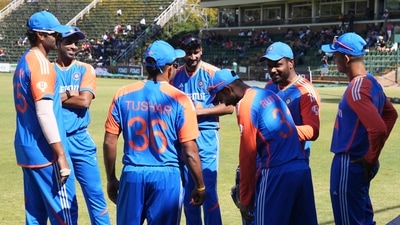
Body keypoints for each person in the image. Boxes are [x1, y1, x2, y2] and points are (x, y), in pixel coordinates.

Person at [103, 40, 206, 225]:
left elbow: (109, 141)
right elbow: (189, 149)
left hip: (132, 174)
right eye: (175, 64)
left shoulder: (122, 94)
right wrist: (200, 185)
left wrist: (111, 179)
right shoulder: (180, 99)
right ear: (169, 69)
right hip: (166, 176)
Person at [208, 69, 318, 225]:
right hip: (301, 169)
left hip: (276, 171)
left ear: (228, 89)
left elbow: (248, 155)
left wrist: (245, 198)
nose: (224, 103)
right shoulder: (269, 94)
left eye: (221, 98)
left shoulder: (246, 104)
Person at [321, 32, 398, 225]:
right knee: (362, 218)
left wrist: (371, 157)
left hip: (349, 163)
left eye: (335, 55)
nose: (333, 59)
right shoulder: (372, 82)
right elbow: (391, 115)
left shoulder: (357, 89)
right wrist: (371, 154)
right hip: (357, 161)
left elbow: (379, 127)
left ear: (346, 59)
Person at [12, 10, 77, 224]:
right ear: (40, 35)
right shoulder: (41, 65)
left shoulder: (24, 61)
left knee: (35, 216)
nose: (58, 39)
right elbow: (44, 112)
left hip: (27, 150)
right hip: (45, 152)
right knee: (64, 214)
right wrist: (60, 154)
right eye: (54, 34)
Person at [171, 34, 234, 225]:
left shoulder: (212, 73)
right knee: (189, 192)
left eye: (196, 52)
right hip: (182, 138)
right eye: (189, 53)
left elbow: (229, 107)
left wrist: (199, 111)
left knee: (208, 190)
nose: (193, 57)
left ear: (201, 51)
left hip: (206, 135)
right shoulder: (175, 75)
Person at [55, 26, 111, 225]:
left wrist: (58, 97)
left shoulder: (85, 69)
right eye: (68, 42)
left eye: (76, 43)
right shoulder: (48, 71)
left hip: (80, 139)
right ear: (57, 43)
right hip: (57, 141)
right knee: (65, 197)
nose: (73, 46)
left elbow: (84, 101)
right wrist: (72, 94)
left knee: (95, 193)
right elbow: (42, 101)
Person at [259, 41, 320, 159]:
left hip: (293, 161)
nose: (272, 70)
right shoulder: (269, 86)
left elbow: (313, 131)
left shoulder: (305, 91)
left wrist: (279, 132)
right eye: (269, 65)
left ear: (291, 63)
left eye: (277, 65)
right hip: (269, 159)